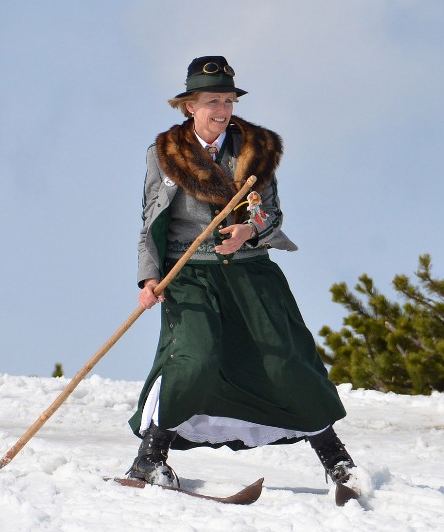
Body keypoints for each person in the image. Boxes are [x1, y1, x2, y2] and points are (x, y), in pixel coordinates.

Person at [126, 55, 357, 493]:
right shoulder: (164, 154)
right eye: (212, 101)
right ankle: (149, 461)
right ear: (189, 106)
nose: (222, 109)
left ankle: (339, 463)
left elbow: (271, 214)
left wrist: (249, 230)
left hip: (251, 273)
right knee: (192, 361)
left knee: (286, 361)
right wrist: (148, 277)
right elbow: (150, 219)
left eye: (228, 100)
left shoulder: (257, 149)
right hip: (189, 274)